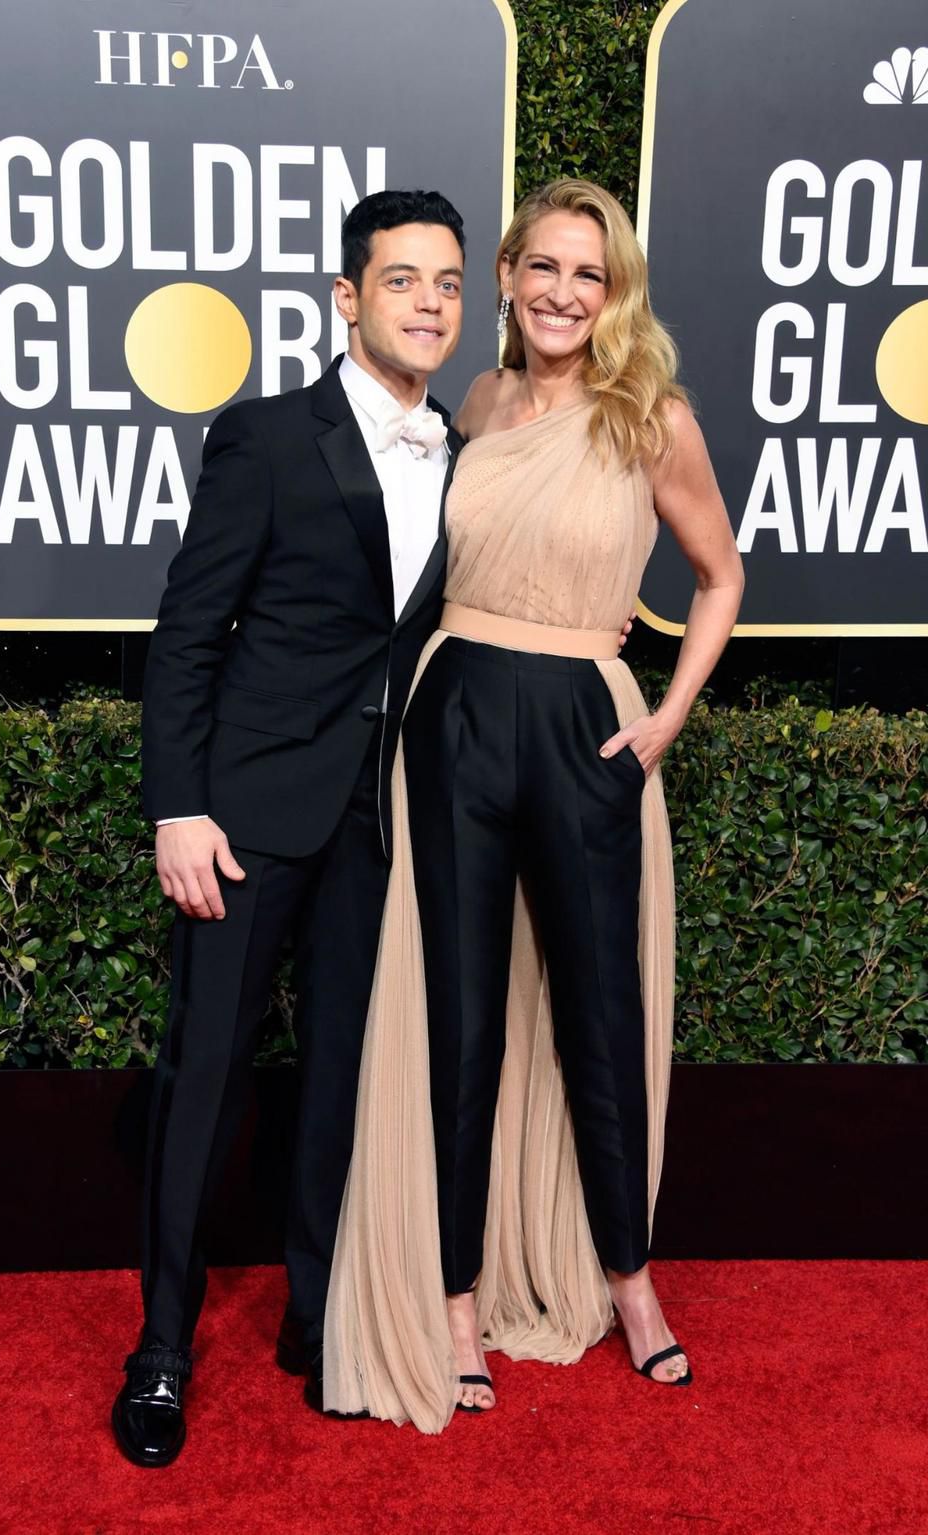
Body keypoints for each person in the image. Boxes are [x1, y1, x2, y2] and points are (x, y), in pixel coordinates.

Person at [323, 178, 745, 1430]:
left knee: (598, 1015)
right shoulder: (480, 405)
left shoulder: (648, 418)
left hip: (581, 727)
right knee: (460, 1017)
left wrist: (663, 717)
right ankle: (455, 1298)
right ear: (506, 275)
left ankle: (629, 1278)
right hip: (451, 716)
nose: (564, 291)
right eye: (543, 267)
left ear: (615, 296)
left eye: (591, 274)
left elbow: (720, 575)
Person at [111, 190, 470, 1467]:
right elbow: (188, 633)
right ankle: (160, 1344)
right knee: (201, 1076)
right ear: (346, 298)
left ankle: (318, 1315)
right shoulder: (267, 435)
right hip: (248, 812)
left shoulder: (465, 448)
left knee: (342, 1081)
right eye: (401, 280)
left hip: (385, 822)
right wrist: (178, 806)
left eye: (445, 282)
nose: (428, 302)